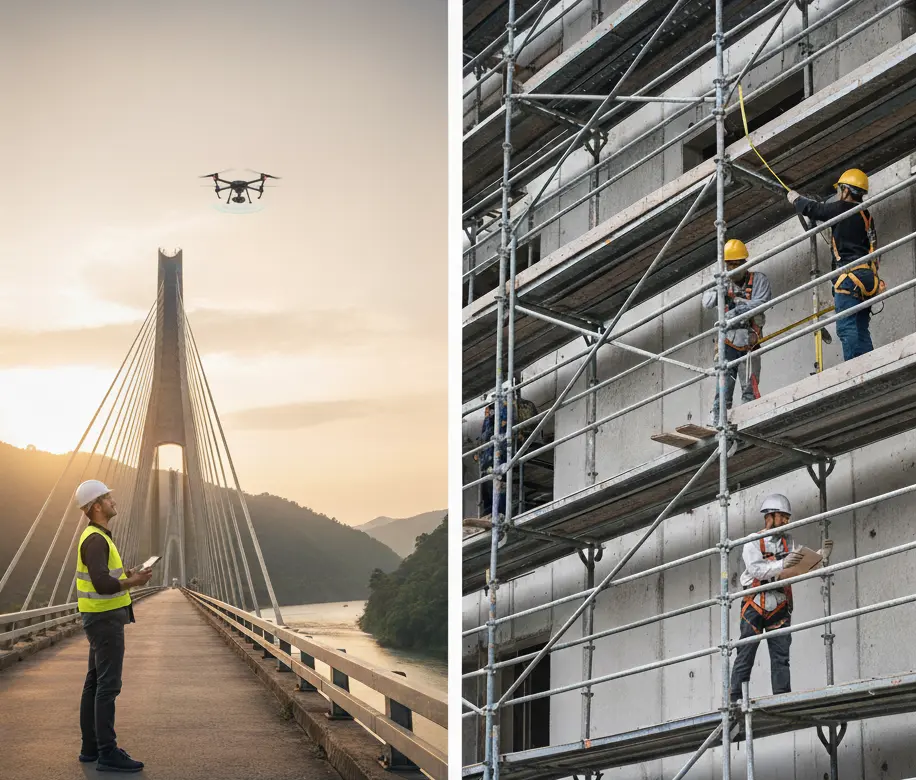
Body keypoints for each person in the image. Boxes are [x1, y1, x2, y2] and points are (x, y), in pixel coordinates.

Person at [75, 479, 153, 773]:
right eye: (108, 498)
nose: (113, 502)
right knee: (108, 686)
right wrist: (132, 582)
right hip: (105, 620)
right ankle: (107, 752)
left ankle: (90, 748)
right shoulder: (96, 540)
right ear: (96, 506)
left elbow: (106, 577)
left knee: (94, 683)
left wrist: (129, 574)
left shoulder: (97, 537)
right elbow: (102, 583)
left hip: (100, 618)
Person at [729, 493, 833, 703]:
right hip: (755, 603)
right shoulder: (753, 542)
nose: (786, 521)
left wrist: (819, 560)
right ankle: (734, 698)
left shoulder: (789, 542)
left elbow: (797, 569)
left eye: (787, 517)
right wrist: (783, 564)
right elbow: (758, 571)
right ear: (769, 516)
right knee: (746, 653)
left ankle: (782, 698)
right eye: (782, 516)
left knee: (781, 656)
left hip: (779, 603)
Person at [788, 169, 883, 361]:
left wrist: (797, 200)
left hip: (849, 277)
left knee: (846, 327)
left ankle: (854, 369)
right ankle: (869, 364)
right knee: (861, 327)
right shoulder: (865, 214)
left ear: (846, 191)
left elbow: (815, 210)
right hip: (867, 276)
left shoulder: (842, 208)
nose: (839, 194)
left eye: (840, 190)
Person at [702, 238, 772, 427]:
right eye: (729, 264)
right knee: (724, 384)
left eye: (735, 264)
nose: (732, 268)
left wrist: (739, 309)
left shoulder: (758, 280)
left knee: (750, 385)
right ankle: (718, 418)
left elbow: (762, 302)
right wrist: (719, 291)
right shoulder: (722, 282)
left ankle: (748, 420)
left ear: (744, 263)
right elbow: (706, 302)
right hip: (728, 342)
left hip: (750, 341)